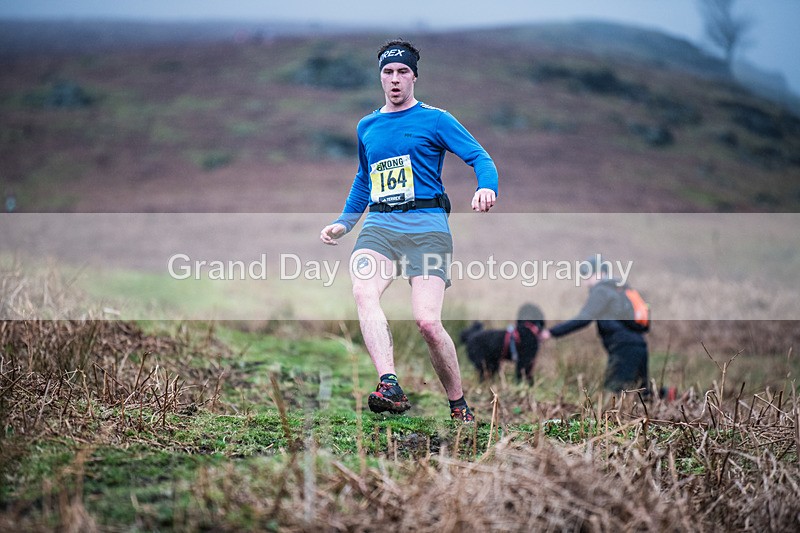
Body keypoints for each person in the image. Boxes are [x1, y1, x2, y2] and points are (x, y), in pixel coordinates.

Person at [319, 39, 498, 423]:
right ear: (380, 77)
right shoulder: (367, 125)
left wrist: (486, 186)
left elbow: (479, 157)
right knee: (363, 291)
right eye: (388, 72)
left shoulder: (436, 119)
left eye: (402, 72)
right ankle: (389, 384)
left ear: (414, 76)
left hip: (427, 227)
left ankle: (458, 403)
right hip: (380, 225)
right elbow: (363, 180)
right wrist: (344, 222)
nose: (395, 79)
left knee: (428, 324)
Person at [539, 255, 650, 397]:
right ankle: (672, 396)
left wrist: (551, 333)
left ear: (599, 273)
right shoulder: (619, 289)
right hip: (639, 344)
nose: (585, 281)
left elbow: (584, 318)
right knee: (643, 392)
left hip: (623, 348)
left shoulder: (601, 291)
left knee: (612, 392)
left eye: (586, 275)